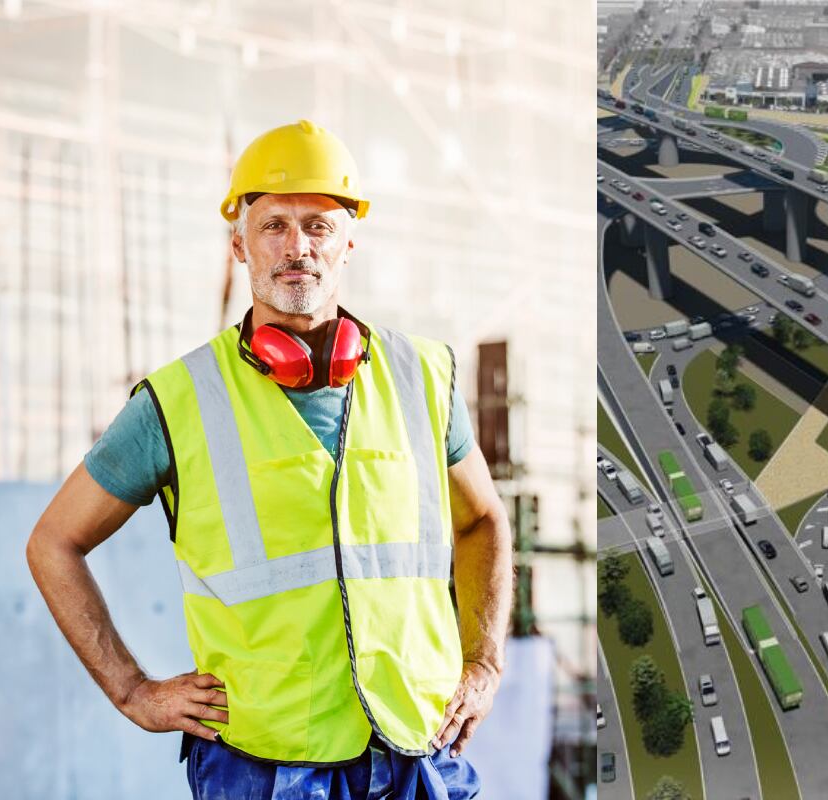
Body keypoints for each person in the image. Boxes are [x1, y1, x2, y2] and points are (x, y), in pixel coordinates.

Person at [25, 120, 512, 800]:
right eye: (274, 226)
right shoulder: (179, 401)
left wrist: (483, 662)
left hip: (417, 749)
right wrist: (133, 691)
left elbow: (482, 519)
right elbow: (53, 541)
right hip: (266, 764)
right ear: (238, 246)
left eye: (317, 225)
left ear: (348, 244)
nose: (297, 248)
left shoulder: (423, 376)